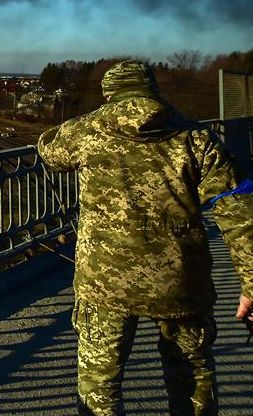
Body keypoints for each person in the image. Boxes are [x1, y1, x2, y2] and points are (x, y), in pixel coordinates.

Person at [37, 60, 253, 416]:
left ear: (108, 95)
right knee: (192, 377)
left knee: (99, 387)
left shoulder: (87, 132)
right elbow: (237, 211)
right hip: (181, 282)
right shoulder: (197, 138)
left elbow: (49, 149)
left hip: (104, 284)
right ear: (154, 90)